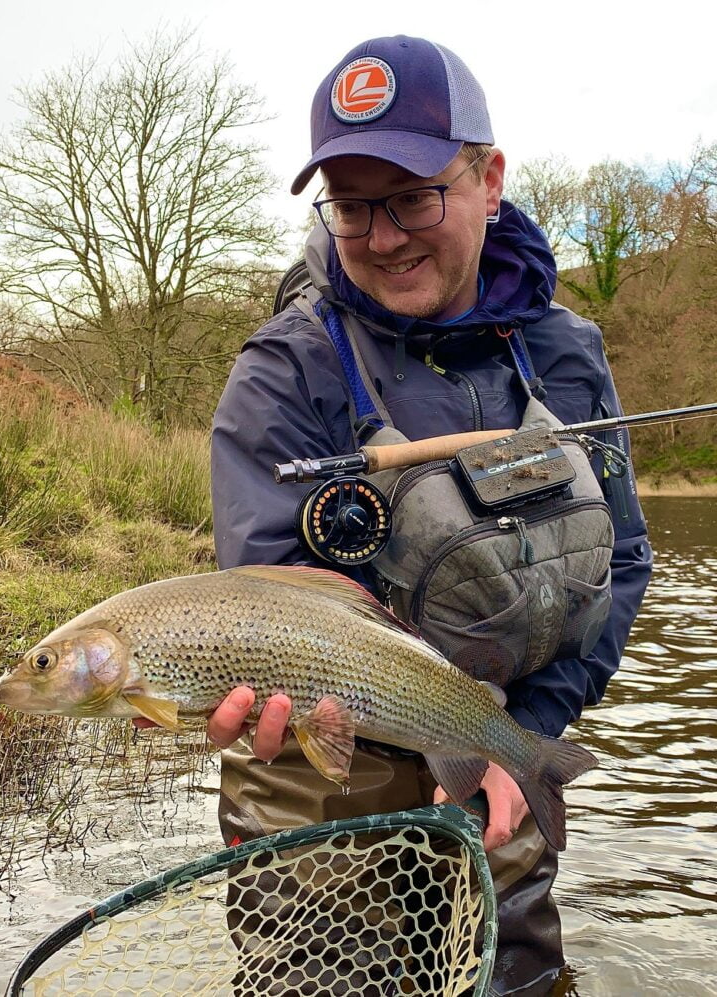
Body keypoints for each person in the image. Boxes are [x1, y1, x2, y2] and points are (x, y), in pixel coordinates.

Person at [208, 34, 653, 996]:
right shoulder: (281, 371)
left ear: (490, 179)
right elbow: (264, 595)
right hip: (321, 768)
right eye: (352, 204)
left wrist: (527, 729)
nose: (382, 236)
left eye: (413, 197)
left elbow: (621, 561)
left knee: (519, 978)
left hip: (502, 735)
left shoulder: (567, 352)